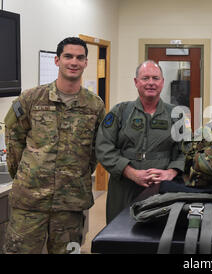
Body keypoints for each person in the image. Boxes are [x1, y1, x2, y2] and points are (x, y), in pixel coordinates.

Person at [3, 37, 106, 254]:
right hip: (30, 203)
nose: (74, 62)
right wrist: (26, 176)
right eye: (68, 56)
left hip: (70, 204)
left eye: (80, 57)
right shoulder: (31, 99)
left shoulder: (94, 105)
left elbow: (95, 150)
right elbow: (13, 141)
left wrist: (76, 177)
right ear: (57, 60)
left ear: (86, 62)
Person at [95, 60, 185, 224]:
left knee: (157, 233)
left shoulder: (176, 115)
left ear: (162, 82)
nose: (151, 83)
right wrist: (130, 172)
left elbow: (187, 151)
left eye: (155, 78)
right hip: (123, 186)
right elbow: (103, 147)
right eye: (145, 78)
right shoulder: (120, 111)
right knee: (120, 230)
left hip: (161, 187)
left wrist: (171, 173)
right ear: (136, 82)